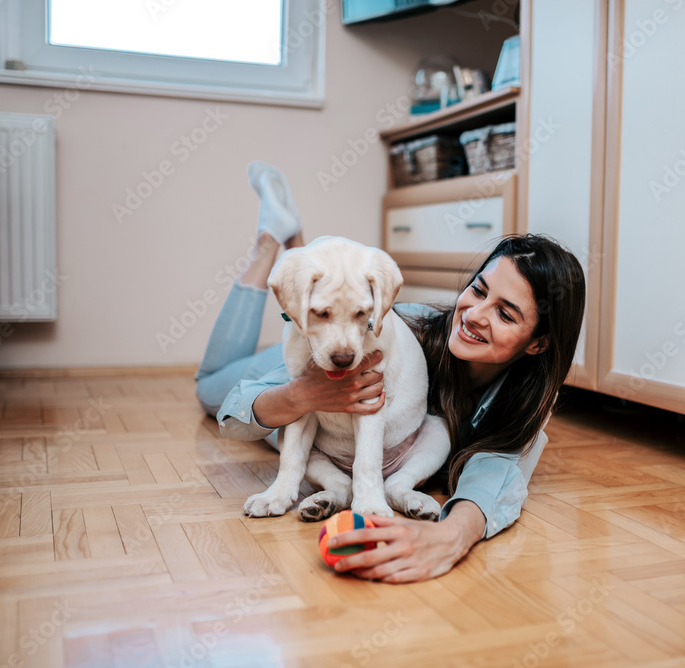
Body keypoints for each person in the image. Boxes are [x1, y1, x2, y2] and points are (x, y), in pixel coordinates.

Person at [195, 162, 586, 583]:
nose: (474, 315)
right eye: (478, 290)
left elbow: (495, 473)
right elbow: (237, 412)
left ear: (538, 343)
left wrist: (453, 538)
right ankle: (270, 243)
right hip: (313, 357)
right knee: (209, 385)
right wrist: (303, 395)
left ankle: (298, 248)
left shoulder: (524, 402)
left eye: (505, 314)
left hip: (351, 392)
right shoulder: (398, 327)